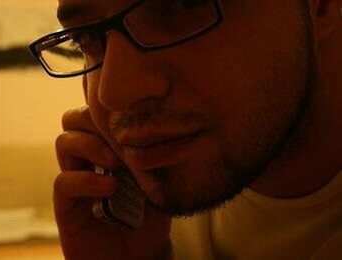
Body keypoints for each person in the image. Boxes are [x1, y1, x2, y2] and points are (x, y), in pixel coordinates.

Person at [29, 0, 342, 259]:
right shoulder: (144, 228)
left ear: (322, 6)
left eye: (181, 6)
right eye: (83, 38)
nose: (113, 94)